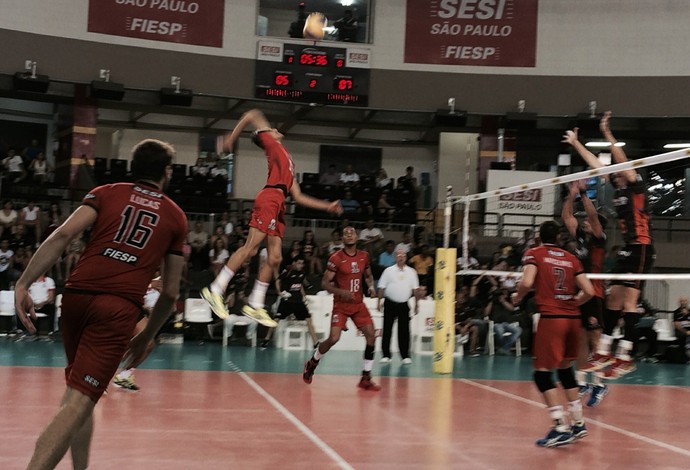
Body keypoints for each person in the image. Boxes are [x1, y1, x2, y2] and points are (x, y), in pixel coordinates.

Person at [13, 138, 187, 469]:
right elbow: (170, 292)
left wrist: (24, 282)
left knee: (78, 396)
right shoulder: (175, 217)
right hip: (115, 310)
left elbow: (62, 235)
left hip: (76, 298)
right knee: (78, 402)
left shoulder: (107, 192)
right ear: (167, 172)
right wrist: (147, 333)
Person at [201, 108, 342, 327]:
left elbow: (299, 196)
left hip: (279, 204)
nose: (276, 129)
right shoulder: (270, 142)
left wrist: (328, 206)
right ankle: (215, 289)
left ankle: (255, 303)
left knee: (275, 257)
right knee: (251, 248)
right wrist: (232, 136)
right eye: (272, 129)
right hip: (269, 198)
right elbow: (251, 114)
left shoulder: (288, 162)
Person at [563, 111, 655, 379]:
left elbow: (624, 165)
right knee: (613, 299)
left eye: (616, 174)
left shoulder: (636, 186)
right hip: (628, 247)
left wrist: (607, 134)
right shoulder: (618, 189)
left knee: (629, 302)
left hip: (642, 246)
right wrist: (576, 143)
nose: (613, 177)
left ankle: (625, 355)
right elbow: (597, 166)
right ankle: (604, 351)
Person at [511, 220, 594, 448]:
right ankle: (578, 422)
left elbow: (527, 282)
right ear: (559, 238)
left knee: (542, 375)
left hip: (552, 320)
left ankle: (560, 427)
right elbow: (589, 291)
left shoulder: (534, 253)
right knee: (566, 371)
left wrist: (517, 298)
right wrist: (573, 303)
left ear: (539, 237)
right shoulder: (571, 258)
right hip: (573, 319)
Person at [303, 226, 381, 391]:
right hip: (341, 305)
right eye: (346, 234)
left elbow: (368, 275)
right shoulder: (336, 258)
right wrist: (341, 292)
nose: (349, 235)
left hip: (358, 304)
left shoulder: (364, 256)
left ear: (357, 236)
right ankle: (312, 362)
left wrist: (371, 287)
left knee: (371, 337)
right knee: (333, 338)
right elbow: (325, 283)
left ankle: (365, 377)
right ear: (343, 239)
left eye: (352, 233)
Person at [561, 180, 609, 406]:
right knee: (580, 338)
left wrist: (583, 193)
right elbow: (567, 218)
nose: (586, 223)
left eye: (590, 222)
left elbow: (591, 216)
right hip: (580, 292)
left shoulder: (600, 239)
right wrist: (571, 195)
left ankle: (599, 383)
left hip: (596, 293)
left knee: (595, 339)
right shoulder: (580, 237)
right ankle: (582, 381)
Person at [112, 275, 163, 392]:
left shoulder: (162, 271)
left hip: (137, 309)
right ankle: (96, 377)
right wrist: (150, 284)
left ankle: (124, 376)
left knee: (148, 344)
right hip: (119, 305)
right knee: (115, 348)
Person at [261, 256, 318, 348]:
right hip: (287, 301)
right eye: (299, 263)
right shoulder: (287, 272)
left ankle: (316, 343)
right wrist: (279, 292)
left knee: (309, 320)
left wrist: (304, 296)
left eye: (302, 263)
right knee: (275, 320)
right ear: (294, 263)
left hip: (298, 302)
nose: (301, 265)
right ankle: (266, 339)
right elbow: (278, 281)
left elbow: (300, 285)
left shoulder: (302, 273)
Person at [377, 248, 420, 364]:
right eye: (399, 255)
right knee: (387, 330)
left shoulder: (412, 272)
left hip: (404, 305)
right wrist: (379, 301)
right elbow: (381, 287)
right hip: (390, 303)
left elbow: (416, 289)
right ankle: (386, 355)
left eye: (403, 255)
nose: (401, 257)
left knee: (404, 331)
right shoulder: (388, 271)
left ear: (406, 257)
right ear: (395, 257)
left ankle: (405, 356)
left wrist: (417, 304)